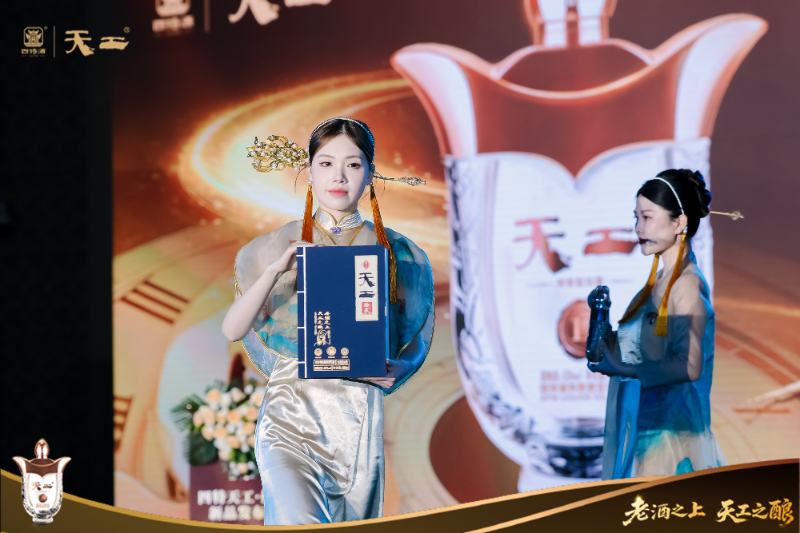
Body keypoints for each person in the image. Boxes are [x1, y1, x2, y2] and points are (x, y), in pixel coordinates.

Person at [221, 118, 434, 524]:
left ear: (370, 173)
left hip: (357, 421)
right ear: (309, 171)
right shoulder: (276, 245)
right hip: (290, 417)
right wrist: (276, 271)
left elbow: (415, 334)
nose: (339, 176)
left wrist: (402, 368)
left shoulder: (396, 251)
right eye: (326, 163)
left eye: (353, 165)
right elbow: (232, 330)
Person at [589, 169, 728, 479]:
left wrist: (624, 369)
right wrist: (599, 315)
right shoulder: (657, 284)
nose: (638, 227)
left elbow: (688, 366)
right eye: (636, 218)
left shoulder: (686, 285)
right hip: (646, 433)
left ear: (679, 223)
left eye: (648, 217)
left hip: (671, 440)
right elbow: (621, 351)